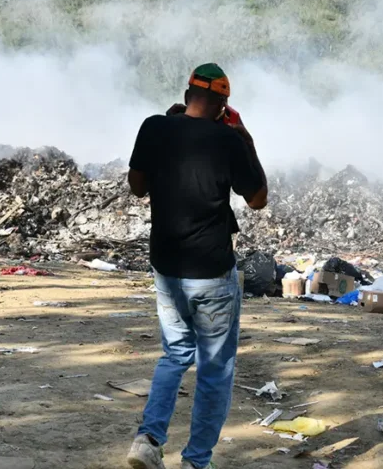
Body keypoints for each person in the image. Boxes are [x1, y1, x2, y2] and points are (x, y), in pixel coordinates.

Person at [125, 63, 267, 469]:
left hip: (167, 271)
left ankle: (148, 440)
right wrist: (245, 137)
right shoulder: (228, 139)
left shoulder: (153, 127)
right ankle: (195, 461)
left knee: (174, 354)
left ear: (187, 95)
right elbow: (257, 199)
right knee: (214, 370)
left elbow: (137, 187)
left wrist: (167, 136)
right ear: (224, 104)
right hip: (212, 274)